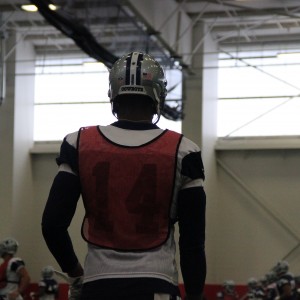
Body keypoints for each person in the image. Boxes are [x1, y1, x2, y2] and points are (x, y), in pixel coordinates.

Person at [41, 51, 206, 300]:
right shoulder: (184, 151)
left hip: (99, 284)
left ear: (113, 93)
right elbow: (192, 242)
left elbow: (52, 225)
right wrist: (195, 295)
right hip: (156, 283)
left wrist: (76, 274)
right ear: (158, 95)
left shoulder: (79, 143)